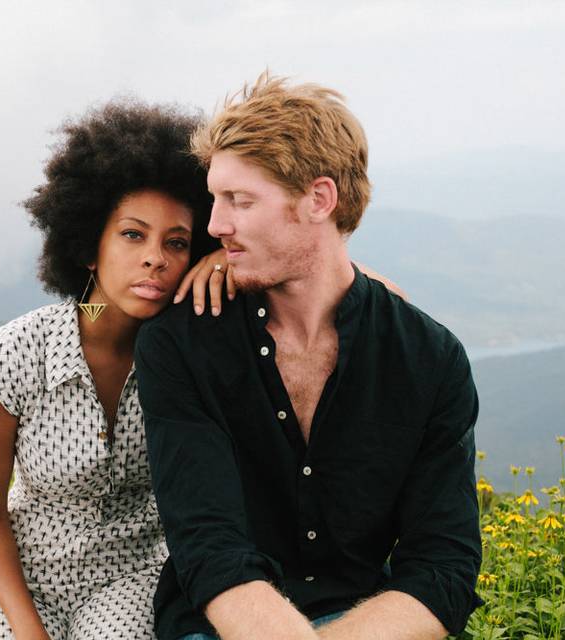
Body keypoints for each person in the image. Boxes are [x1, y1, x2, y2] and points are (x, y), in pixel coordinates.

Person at [135, 73, 482, 640]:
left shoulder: (429, 358)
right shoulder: (182, 344)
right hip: (222, 625)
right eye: (214, 199)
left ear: (319, 199)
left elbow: (443, 565)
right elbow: (209, 545)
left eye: (239, 201)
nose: (215, 225)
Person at [0, 98, 227, 640]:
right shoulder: (14, 355)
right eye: (132, 234)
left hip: (132, 576)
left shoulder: (195, 352)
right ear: (88, 246)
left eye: (177, 243)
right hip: (23, 575)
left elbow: (351, 290)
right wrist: (27, 629)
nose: (156, 257)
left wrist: (230, 262)